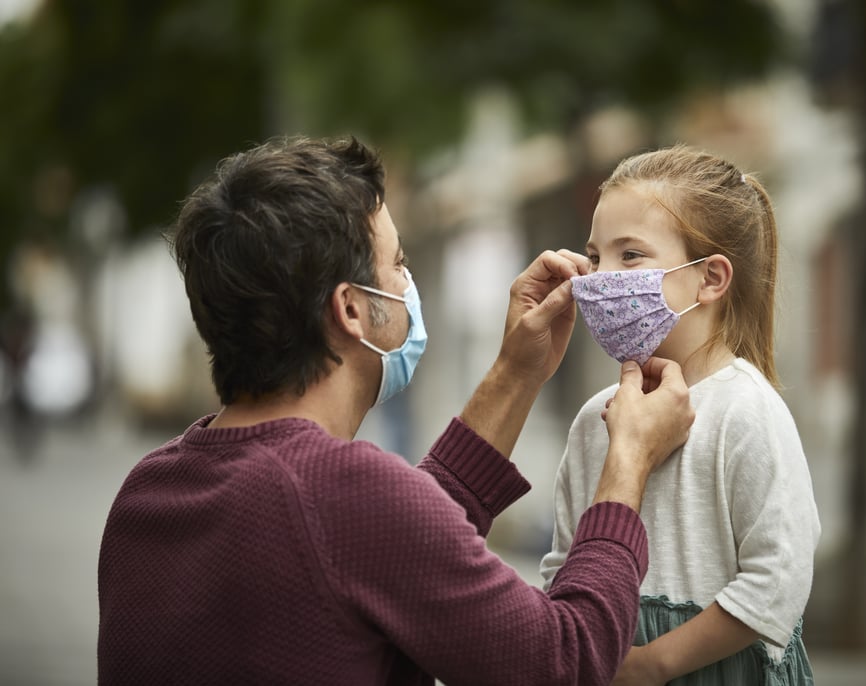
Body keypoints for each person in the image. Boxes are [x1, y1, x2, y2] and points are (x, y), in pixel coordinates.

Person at [96, 136, 697, 685]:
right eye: (399, 264)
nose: (409, 283)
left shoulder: (148, 492)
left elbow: (392, 547)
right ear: (353, 310)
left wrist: (516, 372)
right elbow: (565, 660)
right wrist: (628, 464)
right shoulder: (344, 496)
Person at [540, 144, 821, 685]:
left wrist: (654, 664)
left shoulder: (748, 411)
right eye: (594, 257)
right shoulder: (593, 419)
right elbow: (561, 569)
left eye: (631, 256)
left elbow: (778, 579)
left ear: (710, 279)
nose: (600, 279)